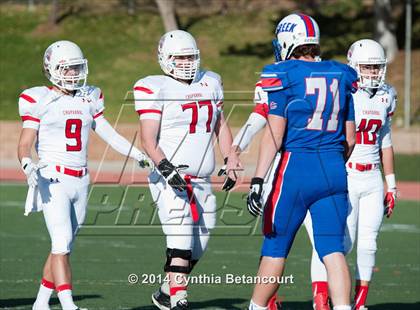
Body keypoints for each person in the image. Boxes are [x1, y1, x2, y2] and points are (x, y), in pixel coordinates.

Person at [18, 40, 151, 310]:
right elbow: (25, 141)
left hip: (80, 179)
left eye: (77, 67)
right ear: (52, 69)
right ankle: (68, 305)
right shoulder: (38, 99)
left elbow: (109, 133)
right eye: (67, 69)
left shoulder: (89, 96)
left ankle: (41, 302)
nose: (73, 74)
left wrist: (138, 154)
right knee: (61, 243)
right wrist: (26, 164)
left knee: (63, 244)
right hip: (52, 178)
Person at [246, 13, 357, 310]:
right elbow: (351, 140)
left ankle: (255, 307)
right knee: (333, 251)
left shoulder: (282, 73)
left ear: (287, 41)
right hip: (334, 170)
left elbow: (274, 136)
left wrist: (257, 180)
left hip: (296, 169)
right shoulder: (342, 74)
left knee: (275, 249)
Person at [134, 30, 240, 310]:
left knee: (199, 244)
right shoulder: (154, 87)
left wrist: (230, 156)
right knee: (180, 236)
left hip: (203, 178)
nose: (186, 63)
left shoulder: (211, 81)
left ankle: (166, 291)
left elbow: (220, 124)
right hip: (169, 177)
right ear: (165, 59)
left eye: (190, 57)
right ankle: (180, 300)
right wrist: (167, 170)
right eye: (179, 58)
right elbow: (147, 139)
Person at [304, 39, 398, 310]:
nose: (372, 73)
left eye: (376, 67)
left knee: (369, 244)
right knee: (340, 242)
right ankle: (322, 300)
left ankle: (359, 304)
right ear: (354, 66)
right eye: (367, 67)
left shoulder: (387, 94)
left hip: (372, 178)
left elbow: (386, 141)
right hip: (346, 175)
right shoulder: (344, 92)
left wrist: (390, 185)